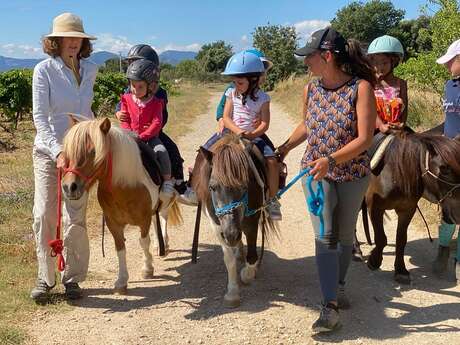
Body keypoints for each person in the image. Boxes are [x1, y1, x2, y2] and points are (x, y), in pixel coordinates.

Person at [276, 27, 376, 332]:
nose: (306, 63)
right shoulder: (311, 90)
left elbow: (365, 138)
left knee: (345, 236)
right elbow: (307, 124)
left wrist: (332, 159)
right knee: (326, 234)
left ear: (327, 56)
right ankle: (329, 305)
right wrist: (283, 148)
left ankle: (339, 284)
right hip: (316, 172)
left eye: (310, 57)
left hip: (352, 173)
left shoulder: (361, 89)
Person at [31, 12, 98, 301]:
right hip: (49, 152)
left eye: (77, 38)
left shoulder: (92, 70)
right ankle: (45, 279)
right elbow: (40, 118)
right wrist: (57, 151)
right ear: (55, 42)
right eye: (66, 38)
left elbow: (88, 114)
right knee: (45, 212)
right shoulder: (43, 70)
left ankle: (72, 278)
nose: (72, 43)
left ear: (83, 43)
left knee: (76, 216)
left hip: (80, 154)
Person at [115, 44, 194, 203]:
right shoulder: (130, 89)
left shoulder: (159, 92)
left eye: (134, 63)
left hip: (152, 132)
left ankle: (178, 184)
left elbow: (159, 117)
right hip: (130, 132)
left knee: (171, 151)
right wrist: (118, 113)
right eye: (130, 63)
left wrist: (147, 133)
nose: (132, 67)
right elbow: (122, 105)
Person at [218, 51, 282, 220]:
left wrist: (253, 134)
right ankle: (195, 186)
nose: (236, 85)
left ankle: (272, 200)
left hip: (255, 135)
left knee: (272, 161)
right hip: (231, 133)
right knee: (206, 152)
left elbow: (265, 124)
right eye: (234, 82)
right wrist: (238, 131)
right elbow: (226, 116)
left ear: (253, 80)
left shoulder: (263, 98)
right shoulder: (231, 93)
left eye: (239, 82)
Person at [119, 59, 176, 202]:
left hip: (149, 138)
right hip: (129, 136)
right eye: (133, 86)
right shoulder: (126, 99)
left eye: (140, 87)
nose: (135, 90)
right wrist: (128, 134)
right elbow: (124, 119)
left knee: (161, 151)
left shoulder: (157, 103)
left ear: (151, 86)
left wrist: (143, 136)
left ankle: (167, 181)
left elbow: (157, 122)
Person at [431, 38, 460, 280]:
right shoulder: (449, 85)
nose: (446, 65)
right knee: (449, 208)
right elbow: (448, 120)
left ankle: (458, 261)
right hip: (448, 155)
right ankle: (442, 250)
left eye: (450, 61)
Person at [367, 35, 408, 133]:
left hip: (395, 128)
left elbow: (405, 107)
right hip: (374, 129)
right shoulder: (370, 84)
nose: (380, 67)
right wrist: (380, 125)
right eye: (376, 63)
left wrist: (402, 123)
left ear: (393, 62)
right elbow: (370, 107)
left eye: (384, 63)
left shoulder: (401, 83)